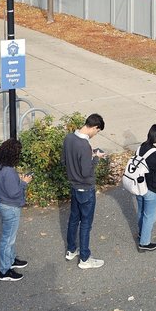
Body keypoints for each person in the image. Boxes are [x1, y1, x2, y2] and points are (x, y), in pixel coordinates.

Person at [63, 114, 107, 269]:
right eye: (97, 131)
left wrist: (91, 154)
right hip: (86, 188)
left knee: (74, 219)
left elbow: (67, 160)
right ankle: (85, 258)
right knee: (86, 223)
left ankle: (71, 249)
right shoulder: (84, 145)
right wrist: (96, 158)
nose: (96, 134)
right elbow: (87, 172)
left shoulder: (69, 138)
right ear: (94, 127)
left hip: (73, 186)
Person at [0, 139, 32, 280]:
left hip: (3, 204)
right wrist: (24, 182)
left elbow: (8, 186)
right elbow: (14, 193)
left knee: (9, 237)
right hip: (11, 207)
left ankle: (11, 260)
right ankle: (4, 270)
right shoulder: (8, 171)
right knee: (8, 240)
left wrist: (16, 179)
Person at [130, 125, 156, 250]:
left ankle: (142, 233)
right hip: (151, 189)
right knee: (150, 216)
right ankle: (145, 243)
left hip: (139, 186)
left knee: (141, 212)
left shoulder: (140, 148)